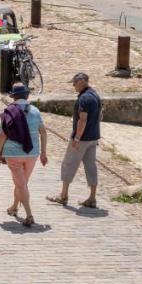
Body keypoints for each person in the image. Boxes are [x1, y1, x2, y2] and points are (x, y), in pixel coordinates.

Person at [0, 82, 48, 227]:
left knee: (21, 184)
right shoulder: (36, 111)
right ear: (27, 95)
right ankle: (14, 207)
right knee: (22, 183)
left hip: (13, 154)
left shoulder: (8, 111)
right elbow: (43, 132)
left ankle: (29, 215)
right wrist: (44, 152)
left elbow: (2, 135)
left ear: (13, 97)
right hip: (32, 153)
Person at [48, 72, 101, 209]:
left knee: (69, 164)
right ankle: (92, 197)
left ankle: (63, 195)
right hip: (93, 137)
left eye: (75, 82)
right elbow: (100, 116)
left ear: (82, 81)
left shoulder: (83, 99)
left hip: (82, 139)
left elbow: (82, 120)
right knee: (91, 166)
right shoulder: (96, 95)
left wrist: (77, 138)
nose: (73, 85)